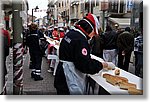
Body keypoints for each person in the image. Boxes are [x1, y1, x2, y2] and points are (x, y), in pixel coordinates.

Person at [54, 13, 115, 95]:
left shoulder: (71, 34)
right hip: (69, 76)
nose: (92, 36)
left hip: (62, 74)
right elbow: (84, 65)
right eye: (93, 33)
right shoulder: (80, 39)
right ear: (89, 29)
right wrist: (102, 65)